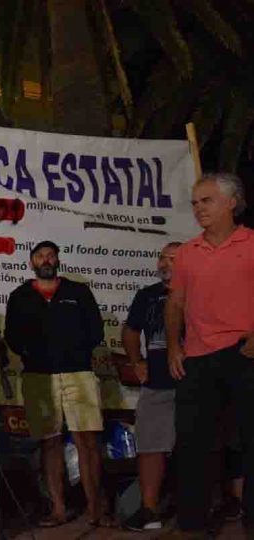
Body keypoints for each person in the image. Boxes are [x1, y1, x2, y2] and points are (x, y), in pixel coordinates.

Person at [165, 172, 254, 538]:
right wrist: (174, 345)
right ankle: (194, 523)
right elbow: (175, 303)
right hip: (198, 357)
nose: (199, 208)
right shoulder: (188, 252)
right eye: (196, 202)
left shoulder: (252, 243)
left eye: (207, 200)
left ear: (231, 202)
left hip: (245, 354)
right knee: (192, 444)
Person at [4, 241, 107, 527]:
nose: (46, 260)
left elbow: (96, 331)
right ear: (31, 262)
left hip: (79, 374)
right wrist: (32, 353)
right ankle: (59, 509)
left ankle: (94, 510)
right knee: (50, 443)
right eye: (40, 256)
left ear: (58, 260)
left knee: (87, 441)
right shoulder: (20, 296)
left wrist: (73, 352)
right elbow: (11, 336)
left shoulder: (78, 292)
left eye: (51, 255)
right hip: (38, 377)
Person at [121, 242, 181, 531]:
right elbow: (131, 330)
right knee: (149, 447)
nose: (165, 263)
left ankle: (200, 509)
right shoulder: (147, 295)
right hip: (156, 383)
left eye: (173, 258)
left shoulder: (201, 291)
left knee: (200, 446)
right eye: (162, 257)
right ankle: (149, 510)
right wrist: (136, 362)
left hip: (195, 383)